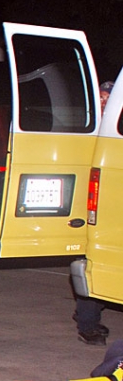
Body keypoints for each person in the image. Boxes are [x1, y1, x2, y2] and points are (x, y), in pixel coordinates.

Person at [75, 80, 115, 345]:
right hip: (88, 205)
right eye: (100, 98)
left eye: (108, 100)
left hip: (111, 201)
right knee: (91, 260)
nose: (102, 103)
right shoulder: (84, 127)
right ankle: (87, 323)